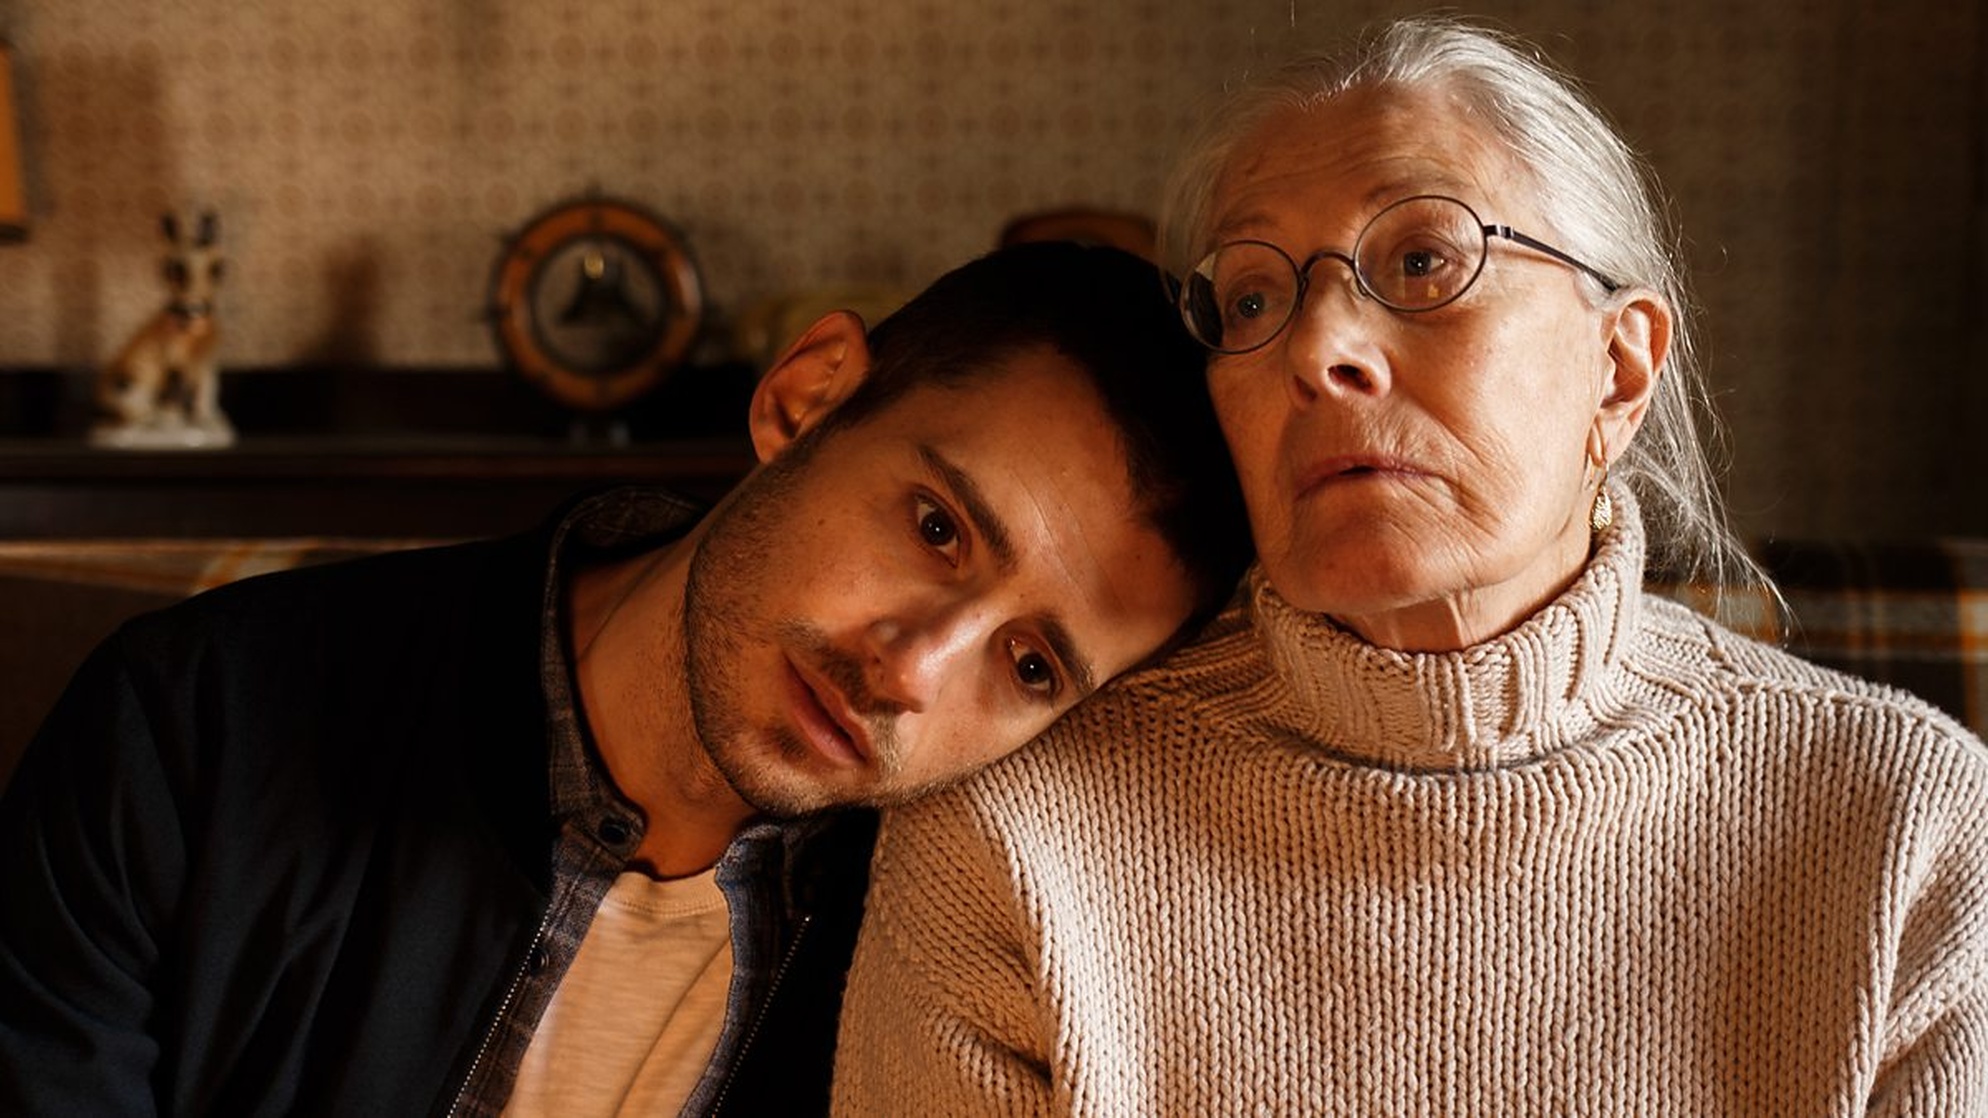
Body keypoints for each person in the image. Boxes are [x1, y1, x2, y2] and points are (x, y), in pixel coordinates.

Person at [833, 17, 1988, 1115]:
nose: (1319, 347)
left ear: (1618, 370)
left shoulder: (1904, 822)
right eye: (1249, 296)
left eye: (1425, 258)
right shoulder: (1017, 824)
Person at [0, 241, 1251, 1116]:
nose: (912, 670)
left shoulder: (956, 962)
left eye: (1027, 663)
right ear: (805, 395)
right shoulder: (192, 728)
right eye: (934, 526)